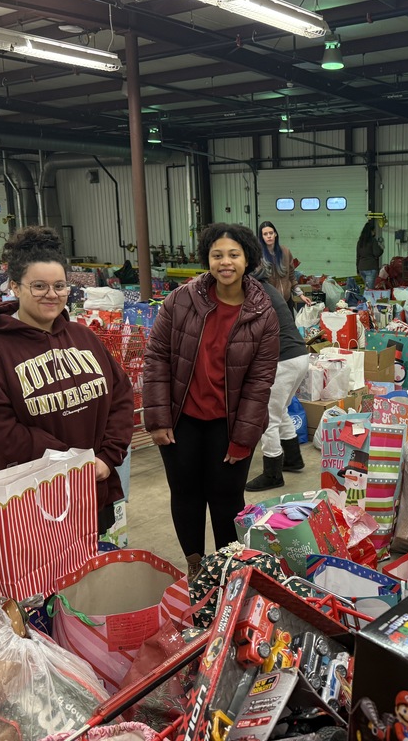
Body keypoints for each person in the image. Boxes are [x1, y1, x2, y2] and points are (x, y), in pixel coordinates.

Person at [0, 226, 135, 533]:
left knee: (93, 570)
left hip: (92, 486)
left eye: (60, 286)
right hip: (34, 500)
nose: (52, 295)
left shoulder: (83, 337)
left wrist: (107, 457)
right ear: (15, 287)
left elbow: (121, 396)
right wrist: (65, 462)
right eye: (39, 286)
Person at [143, 223, 280, 577]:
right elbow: (157, 355)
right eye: (217, 254)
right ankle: (195, 566)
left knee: (226, 499)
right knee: (185, 493)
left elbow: (259, 381)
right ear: (207, 258)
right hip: (182, 419)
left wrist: (243, 438)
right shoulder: (181, 299)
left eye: (233, 254)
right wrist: (157, 418)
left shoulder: (263, 313)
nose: (225, 262)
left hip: (229, 423)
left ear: (247, 259)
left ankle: (226, 569)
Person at [245, 264, 311, 492]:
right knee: (280, 409)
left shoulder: (252, 290)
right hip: (299, 356)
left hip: (283, 360)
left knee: (267, 416)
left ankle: (272, 474)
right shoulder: (266, 286)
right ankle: (293, 459)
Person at [258, 220, 311, 313]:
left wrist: (301, 295)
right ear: (262, 237)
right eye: (265, 234)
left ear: (275, 234)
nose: (269, 236)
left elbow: (291, 276)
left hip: (286, 301)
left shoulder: (285, 252)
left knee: (289, 327)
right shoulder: (258, 256)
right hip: (269, 304)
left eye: (271, 233)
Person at [356, 220, 384, 291]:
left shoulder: (360, 241)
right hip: (370, 267)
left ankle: (364, 301)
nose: (374, 232)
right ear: (371, 231)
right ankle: (368, 302)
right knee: (370, 290)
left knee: (366, 288)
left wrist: (357, 270)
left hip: (361, 268)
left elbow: (358, 256)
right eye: (374, 230)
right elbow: (377, 253)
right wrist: (381, 248)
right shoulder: (372, 240)